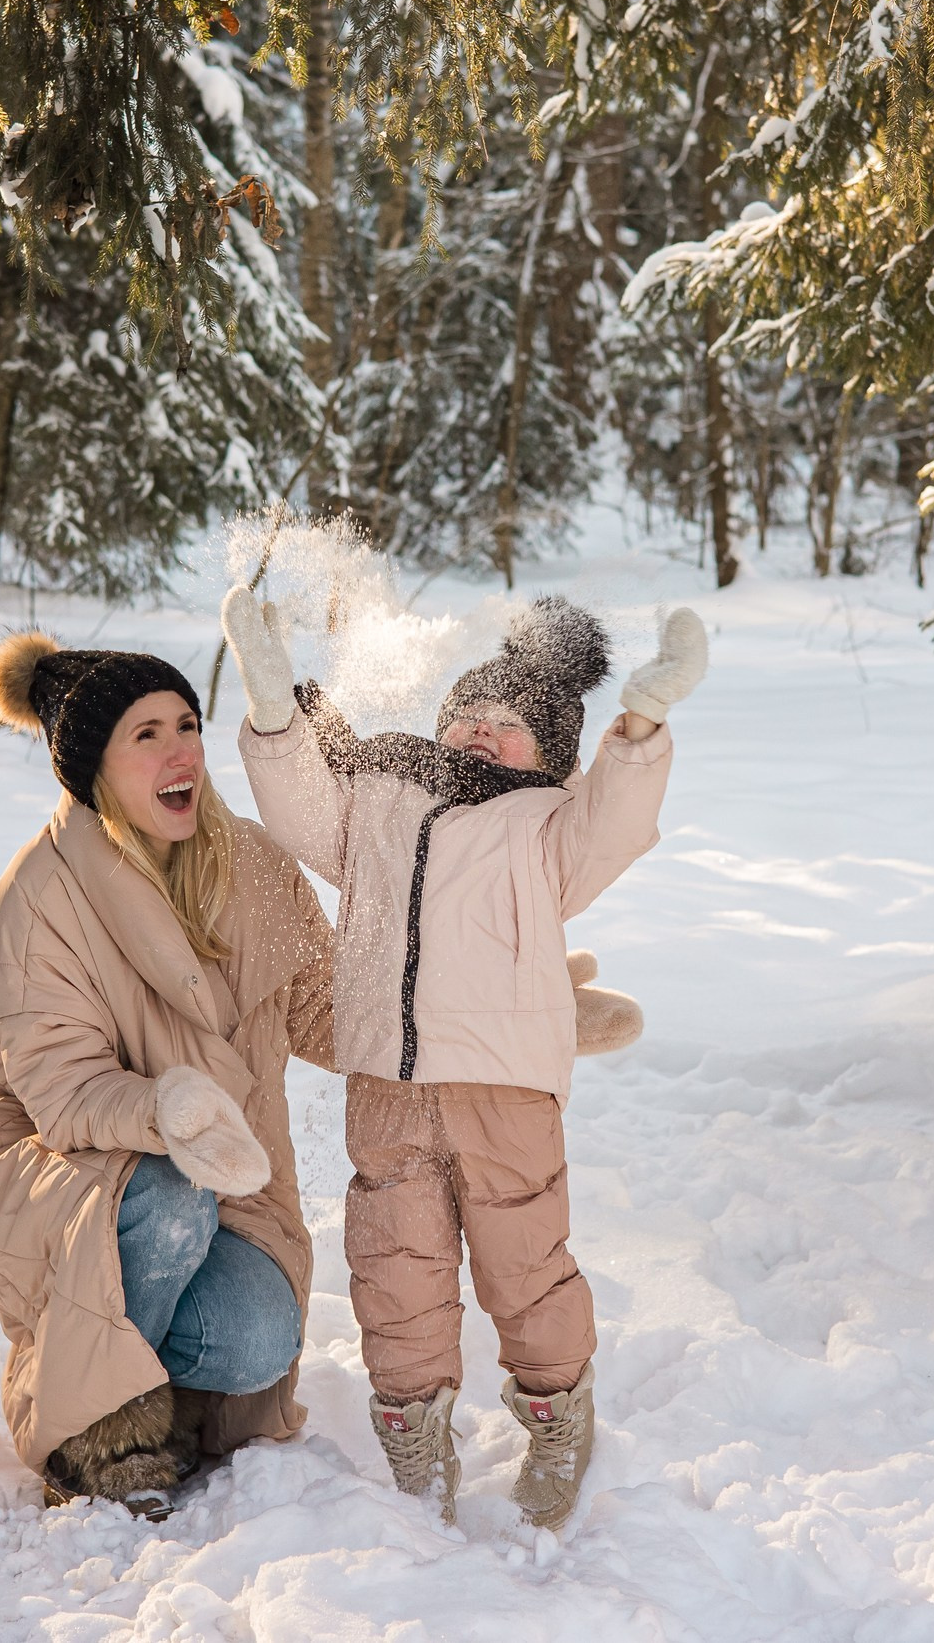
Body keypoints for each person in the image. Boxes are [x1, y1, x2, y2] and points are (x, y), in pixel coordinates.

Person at [221, 590, 707, 1530]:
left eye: (514, 724)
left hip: (505, 1088)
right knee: (394, 1261)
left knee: (525, 1262)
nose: (485, 729)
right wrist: (275, 705)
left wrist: (642, 719)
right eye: (470, 713)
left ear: (552, 756)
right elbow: (296, 807)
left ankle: (557, 1410)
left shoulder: (546, 827)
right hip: (387, 1085)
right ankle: (413, 1427)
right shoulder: (378, 802)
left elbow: (614, 818)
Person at [0, 632, 335, 1518]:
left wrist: (492, 1012)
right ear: (94, 770)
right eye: (145, 734)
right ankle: (96, 1433)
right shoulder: (34, 900)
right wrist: (171, 1106)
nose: (181, 749)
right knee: (168, 1196)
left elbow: (328, 1010)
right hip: (51, 1169)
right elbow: (66, 1095)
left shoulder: (252, 864)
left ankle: (142, 1369)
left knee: (260, 1336)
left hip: (215, 1177)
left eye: (185, 723)